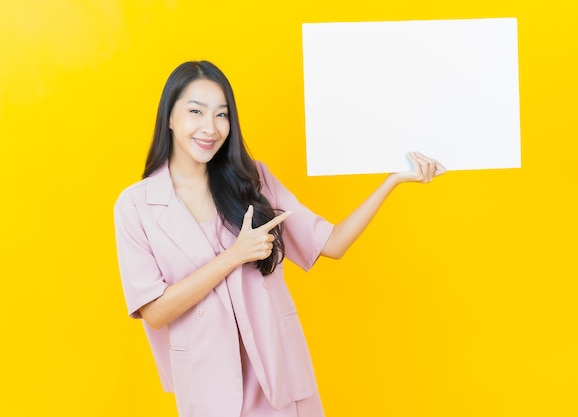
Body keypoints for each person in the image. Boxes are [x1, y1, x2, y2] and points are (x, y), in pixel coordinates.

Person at [113, 60, 445, 417]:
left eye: (222, 115)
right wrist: (234, 255)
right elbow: (155, 311)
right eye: (196, 111)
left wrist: (393, 180)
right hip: (209, 392)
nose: (210, 127)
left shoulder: (253, 180)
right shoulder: (136, 205)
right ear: (170, 117)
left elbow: (332, 244)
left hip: (282, 384)